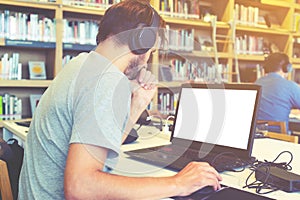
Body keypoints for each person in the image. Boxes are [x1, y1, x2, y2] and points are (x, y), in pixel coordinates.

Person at [18, 1, 222, 199]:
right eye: (152, 49)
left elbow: (98, 151)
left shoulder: (82, 64)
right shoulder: (106, 80)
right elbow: (81, 188)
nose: (149, 57)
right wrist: (179, 183)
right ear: (143, 40)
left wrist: (136, 107)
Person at [255, 52, 300, 133]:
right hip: (280, 138)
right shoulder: (290, 86)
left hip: (257, 136)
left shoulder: (257, 83)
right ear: (287, 68)